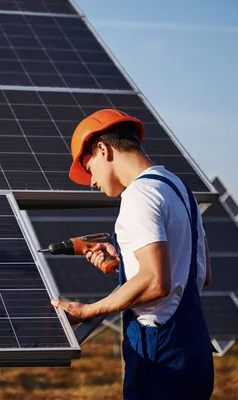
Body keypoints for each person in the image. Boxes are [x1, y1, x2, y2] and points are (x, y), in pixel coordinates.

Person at [50, 109, 215, 399]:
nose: (91, 182)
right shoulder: (180, 190)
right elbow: (199, 274)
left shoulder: (139, 196)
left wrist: (88, 310)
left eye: (89, 169)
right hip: (193, 351)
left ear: (103, 149)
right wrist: (125, 261)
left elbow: (155, 283)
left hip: (160, 359)